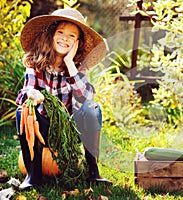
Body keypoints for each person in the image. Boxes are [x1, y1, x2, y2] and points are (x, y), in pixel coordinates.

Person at [15, 8, 112, 190]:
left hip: (70, 130)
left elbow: (85, 98)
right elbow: (27, 89)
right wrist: (32, 94)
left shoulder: (77, 68)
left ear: (77, 43)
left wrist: (69, 63)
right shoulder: (35, 62)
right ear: (51, 35)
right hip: (43, 130)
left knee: (92, 107)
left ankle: (93, 172)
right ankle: (33, 176)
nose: (64, 38)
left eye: (71, 36)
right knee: (24, 111)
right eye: (60, 32)